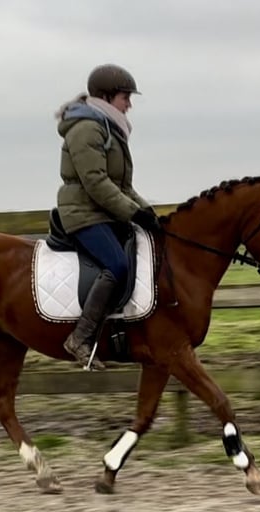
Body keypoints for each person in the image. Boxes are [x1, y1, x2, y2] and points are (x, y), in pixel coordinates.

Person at [54, 63, 162, 370]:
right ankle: (80, 338)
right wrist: (133, 213)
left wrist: (147, 213)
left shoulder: (107, 128)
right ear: (107, 96)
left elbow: (123, 186)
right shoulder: (87, 129)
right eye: (125, 97)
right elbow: (96, 183)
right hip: (84, 213)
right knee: (117, 265)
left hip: (102, 211)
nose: (129, 104)